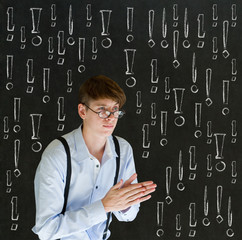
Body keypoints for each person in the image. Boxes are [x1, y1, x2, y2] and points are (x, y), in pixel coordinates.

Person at [32, 75, 156, 240]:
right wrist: (104, 206)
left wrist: (125, 202)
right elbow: (46, 230)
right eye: (102, 110)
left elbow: (128, 216)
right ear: (82, 111)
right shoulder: (58, 154)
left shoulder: (123, 149)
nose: (111, 117)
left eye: (115, 110)